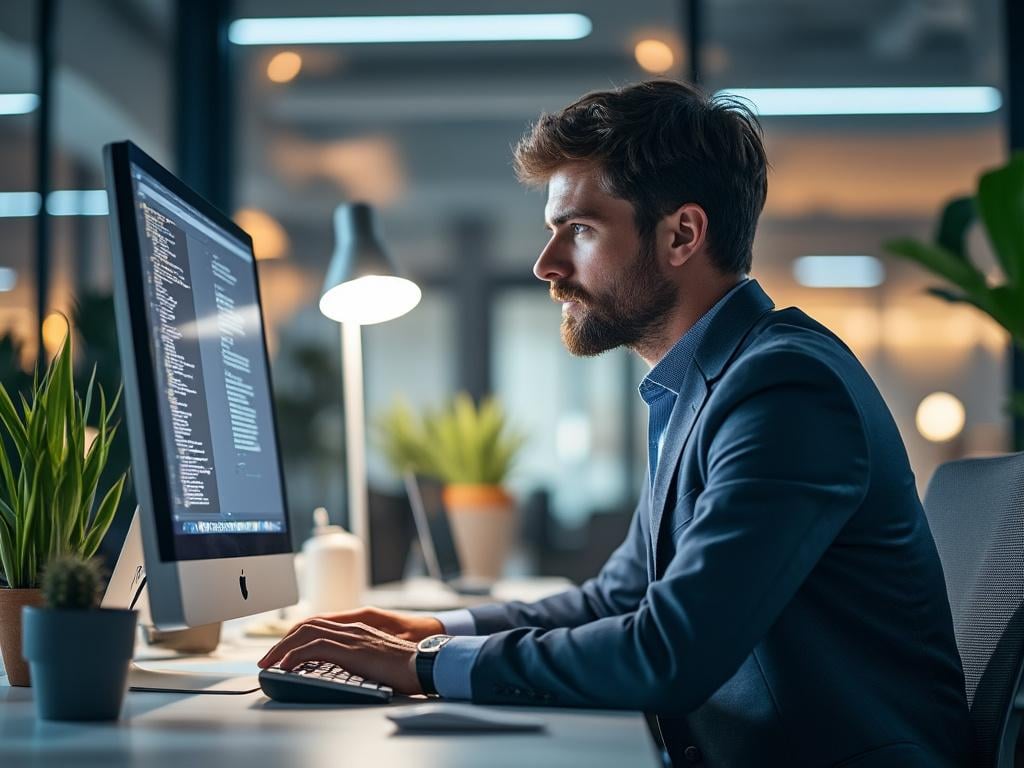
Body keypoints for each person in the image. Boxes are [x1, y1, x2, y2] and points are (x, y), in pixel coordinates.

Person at [259, 80, 970, 767]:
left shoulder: (784, 391)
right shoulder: (703, 386)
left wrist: (425, 664)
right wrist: (433, 629)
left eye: (580, 229)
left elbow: (669, 651)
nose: (546, 265)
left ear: (682, 234)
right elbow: (620, 597)